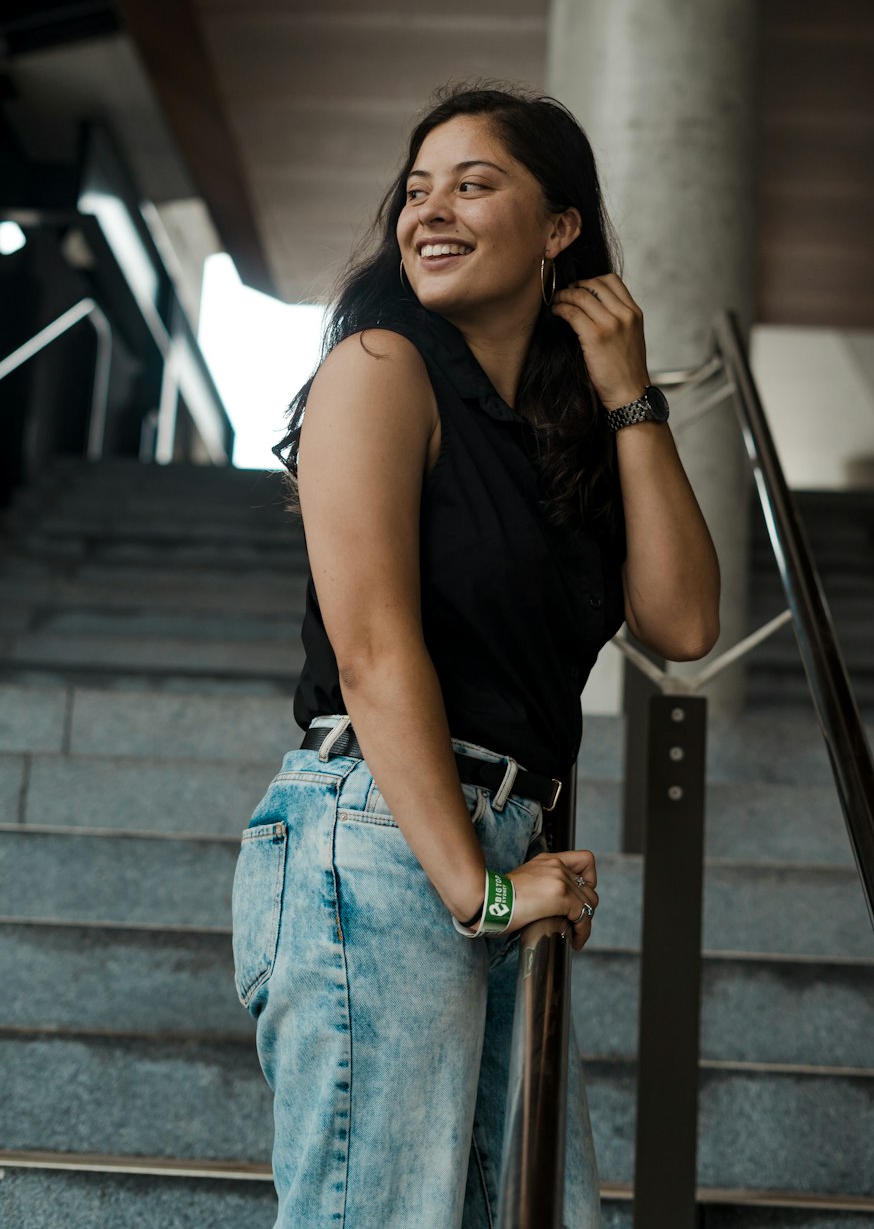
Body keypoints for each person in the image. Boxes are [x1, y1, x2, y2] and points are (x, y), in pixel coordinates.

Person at [231, 83, 720, 1229]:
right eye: (416, 188)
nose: (430, 209)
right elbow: (372, 649)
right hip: (383, 837)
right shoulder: (382, 369)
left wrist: (627, 395)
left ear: (561, 229)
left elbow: (685, 623)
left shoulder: (566, 434)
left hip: (503, 844)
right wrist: (480, 886)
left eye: (474, 181)